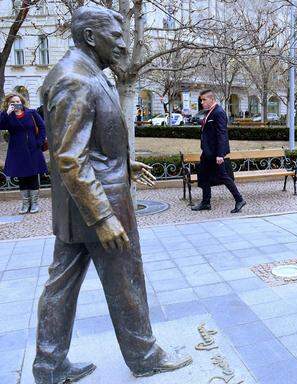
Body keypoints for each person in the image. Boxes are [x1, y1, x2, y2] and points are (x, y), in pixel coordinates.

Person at [35, 6, 192, 384]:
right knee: (127, 279)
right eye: (116, 36)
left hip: (78, 205)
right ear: (91, 37)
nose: (123, 44)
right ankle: (145, 356)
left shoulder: (85, 72)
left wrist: (123, 164)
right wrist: (104, 217)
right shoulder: (77, 79)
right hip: (99, 206)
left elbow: (83, 145)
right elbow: (71, 158)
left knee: (61, 283)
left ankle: (50, 365)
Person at [191, 90, 246, 213]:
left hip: (215, 153)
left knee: (224, 176)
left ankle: (239, 199)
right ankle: (206, 203)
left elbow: (222, 134)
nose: (202, 102)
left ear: (212, 99)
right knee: (204, 176)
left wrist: (220, 154)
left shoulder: (219, 112)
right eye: (201, 100)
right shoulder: (209, 112)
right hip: (207, 152)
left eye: (204, 99)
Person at [0, 93, 48, 214]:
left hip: (33, 149)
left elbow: (42, 127)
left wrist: (39, 142)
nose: (16, 104)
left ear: (22, 102)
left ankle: (34, 203)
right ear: (9, 104)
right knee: (22, 177)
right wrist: (6, 113)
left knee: (32, 176)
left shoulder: (31, 113)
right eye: (13, 102)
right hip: (16, 150)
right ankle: (25, 204)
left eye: (18, 101)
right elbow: (1, 125)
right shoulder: (8, 116)